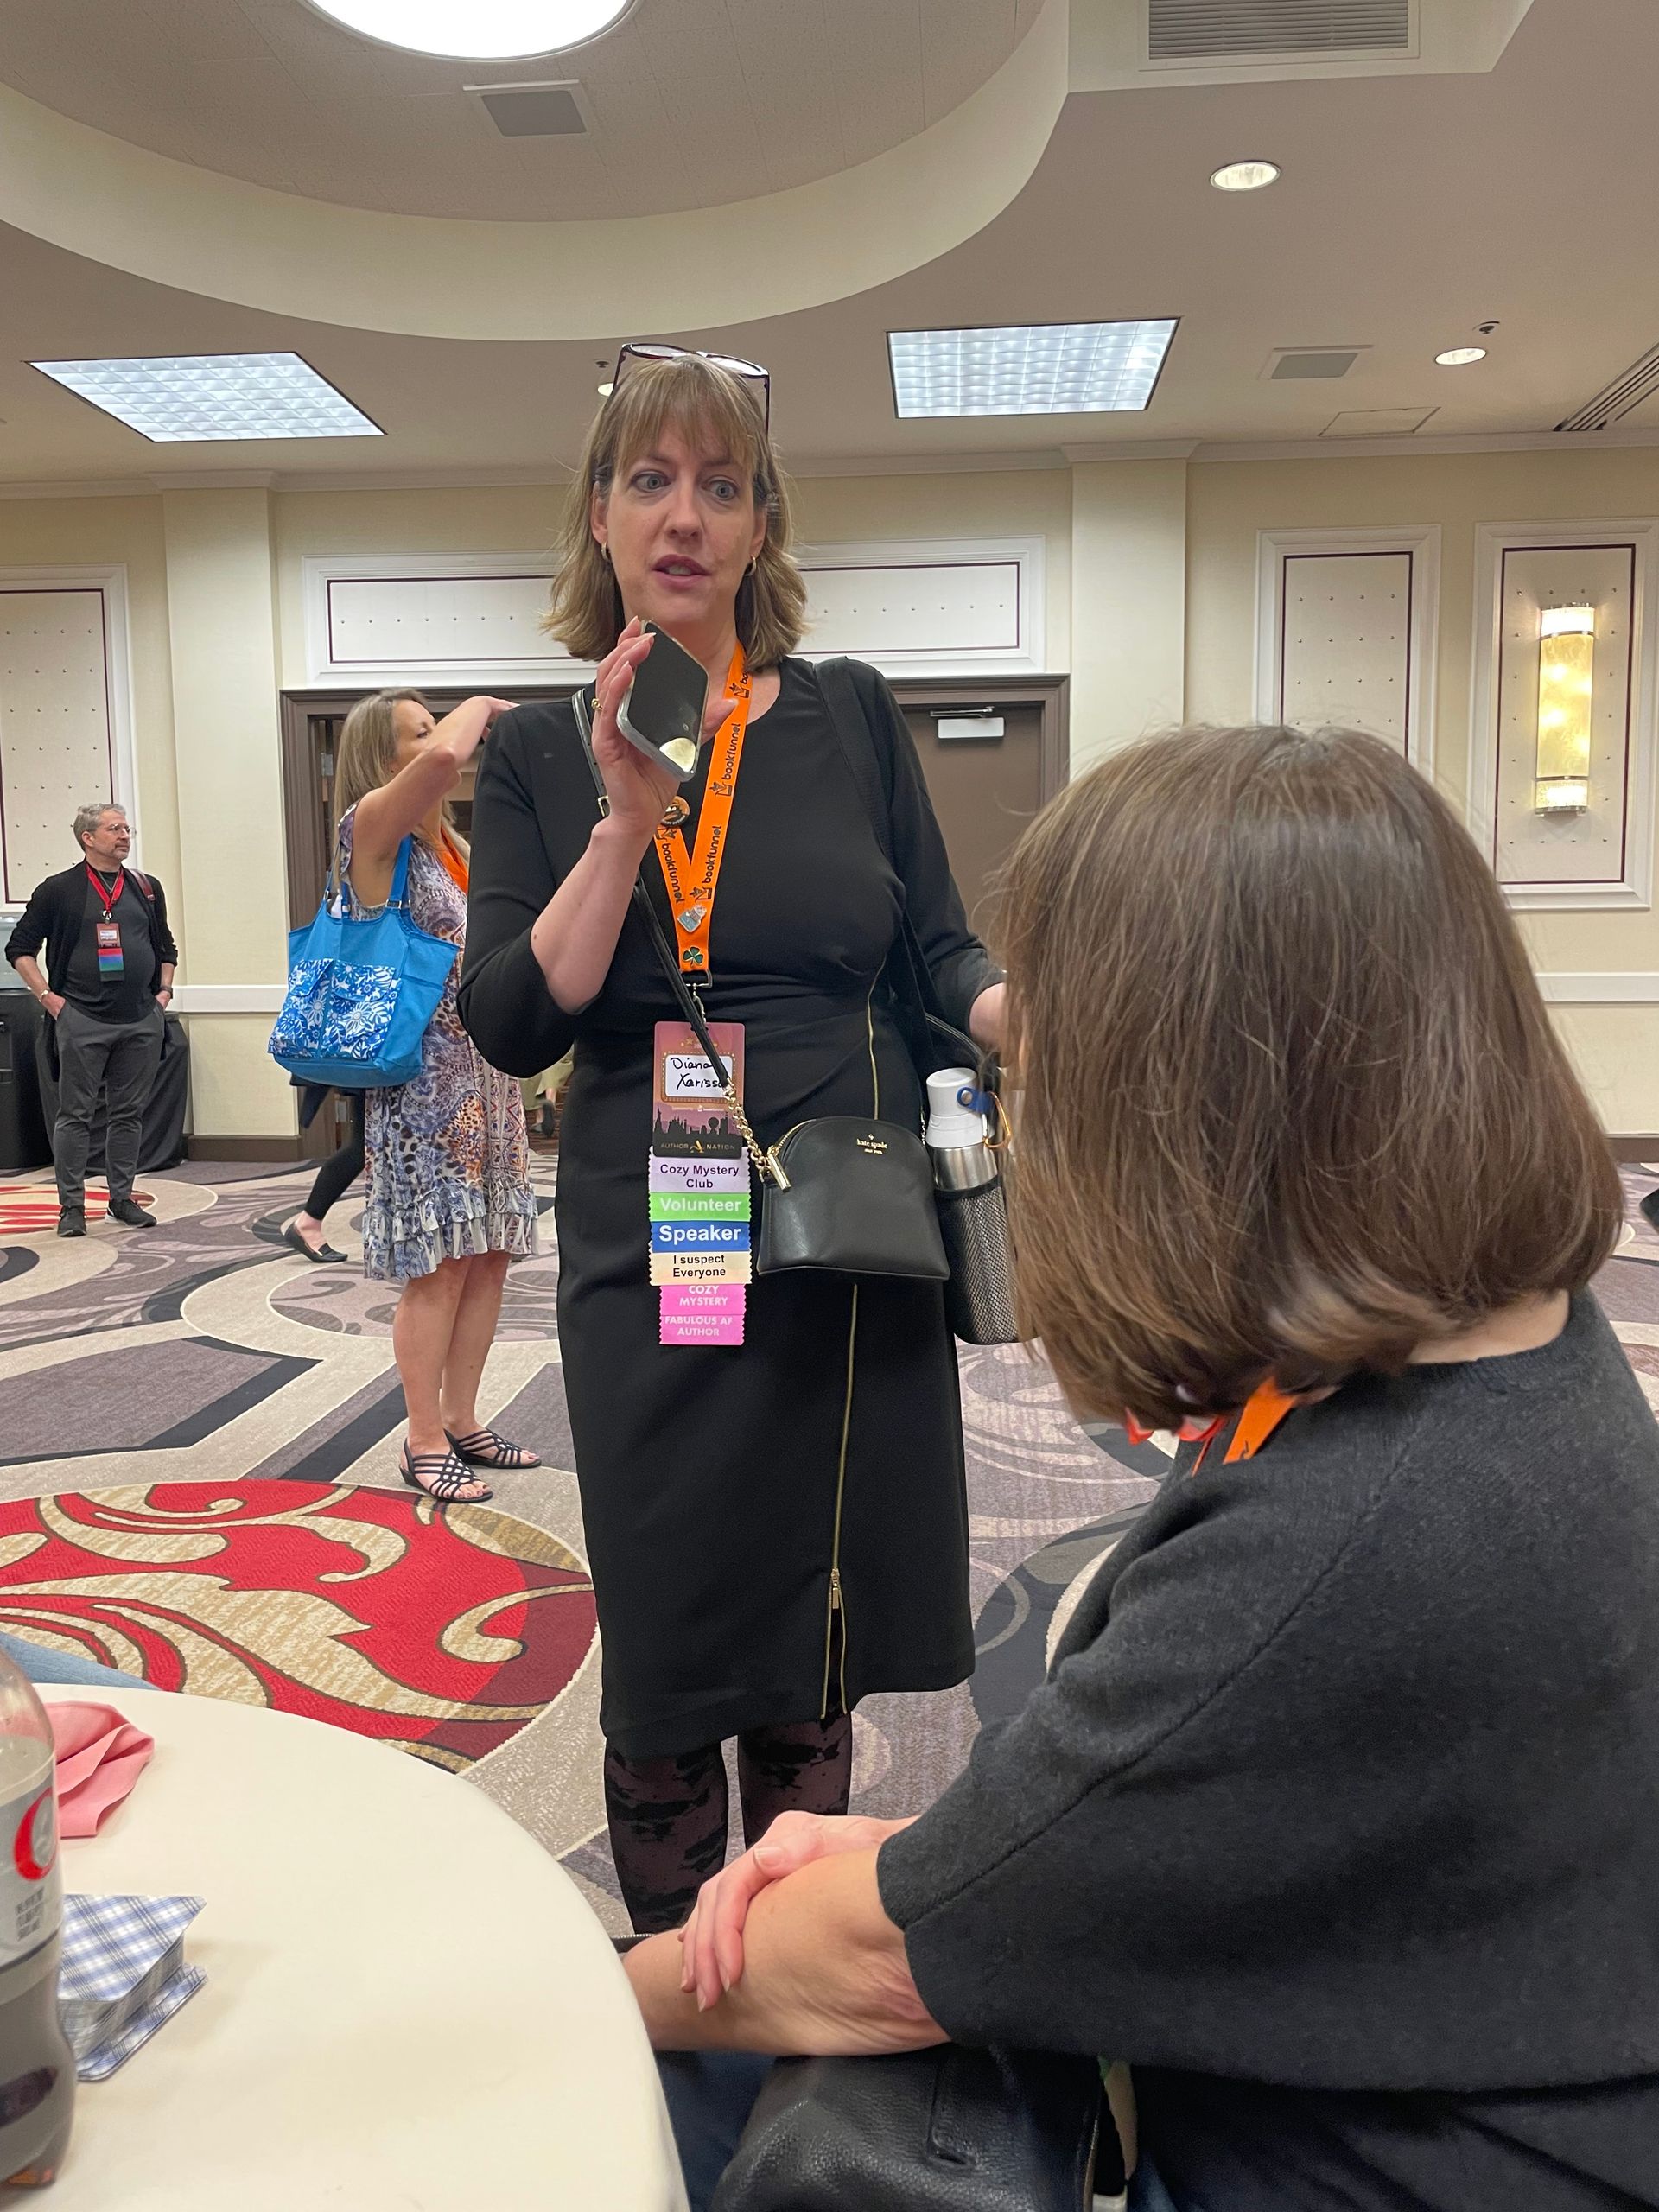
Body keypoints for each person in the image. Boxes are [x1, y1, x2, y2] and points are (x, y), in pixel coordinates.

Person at [624, 724, 1659, 2212]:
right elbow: (1248, 1796)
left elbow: (870, 1968)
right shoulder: (1523, 1362)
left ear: (1190, 1108)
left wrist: (590, 1998)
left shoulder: (1340, 1551)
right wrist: (963, 1847)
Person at [458, 348, 1006, 1933]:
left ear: (764, 523)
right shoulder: (542, 754)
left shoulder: (848, 714)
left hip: (841, 1220)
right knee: (673, 1611)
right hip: (663, 1224)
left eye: (720, 484)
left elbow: (941, 960)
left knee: (814, 1620)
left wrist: (1034, 1018)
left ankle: (775, 1979)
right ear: (600, 516)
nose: (684, 516)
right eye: (649, 480)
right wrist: (629, 819)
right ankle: (681, 2003)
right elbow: (511, 1021)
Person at [333, 688, 541, 1503]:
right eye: (417, 733)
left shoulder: (449, 842)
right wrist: (482, 705)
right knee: (441, 1266)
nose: (442, 743)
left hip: (487, 1076)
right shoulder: (369, 831)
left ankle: (462, 1417)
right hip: (423, 1085)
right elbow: (451, 757)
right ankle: (421, 1439)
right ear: (383, 760)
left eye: (437, 725)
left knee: (489, 1255)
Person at [5, 803, 177, 1237]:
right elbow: (20, 948)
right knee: (75, 1115)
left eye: (126, 828)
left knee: (128, 1114)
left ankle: (122, 1198)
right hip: (81, 1016)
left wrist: (163, 994)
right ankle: (72, 1207)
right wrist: (48, 998)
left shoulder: (145, 887)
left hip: (140, 1017)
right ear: (88, 838)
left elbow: (166, 947)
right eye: (114, 829)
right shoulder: (58, 890)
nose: (124, 835)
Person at [280, 1085, 365, 1262]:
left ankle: (309, 1222)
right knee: (363, 1146)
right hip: (394, 1071)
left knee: (366, 1146)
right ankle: (308, 1222)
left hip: (407, 1072)